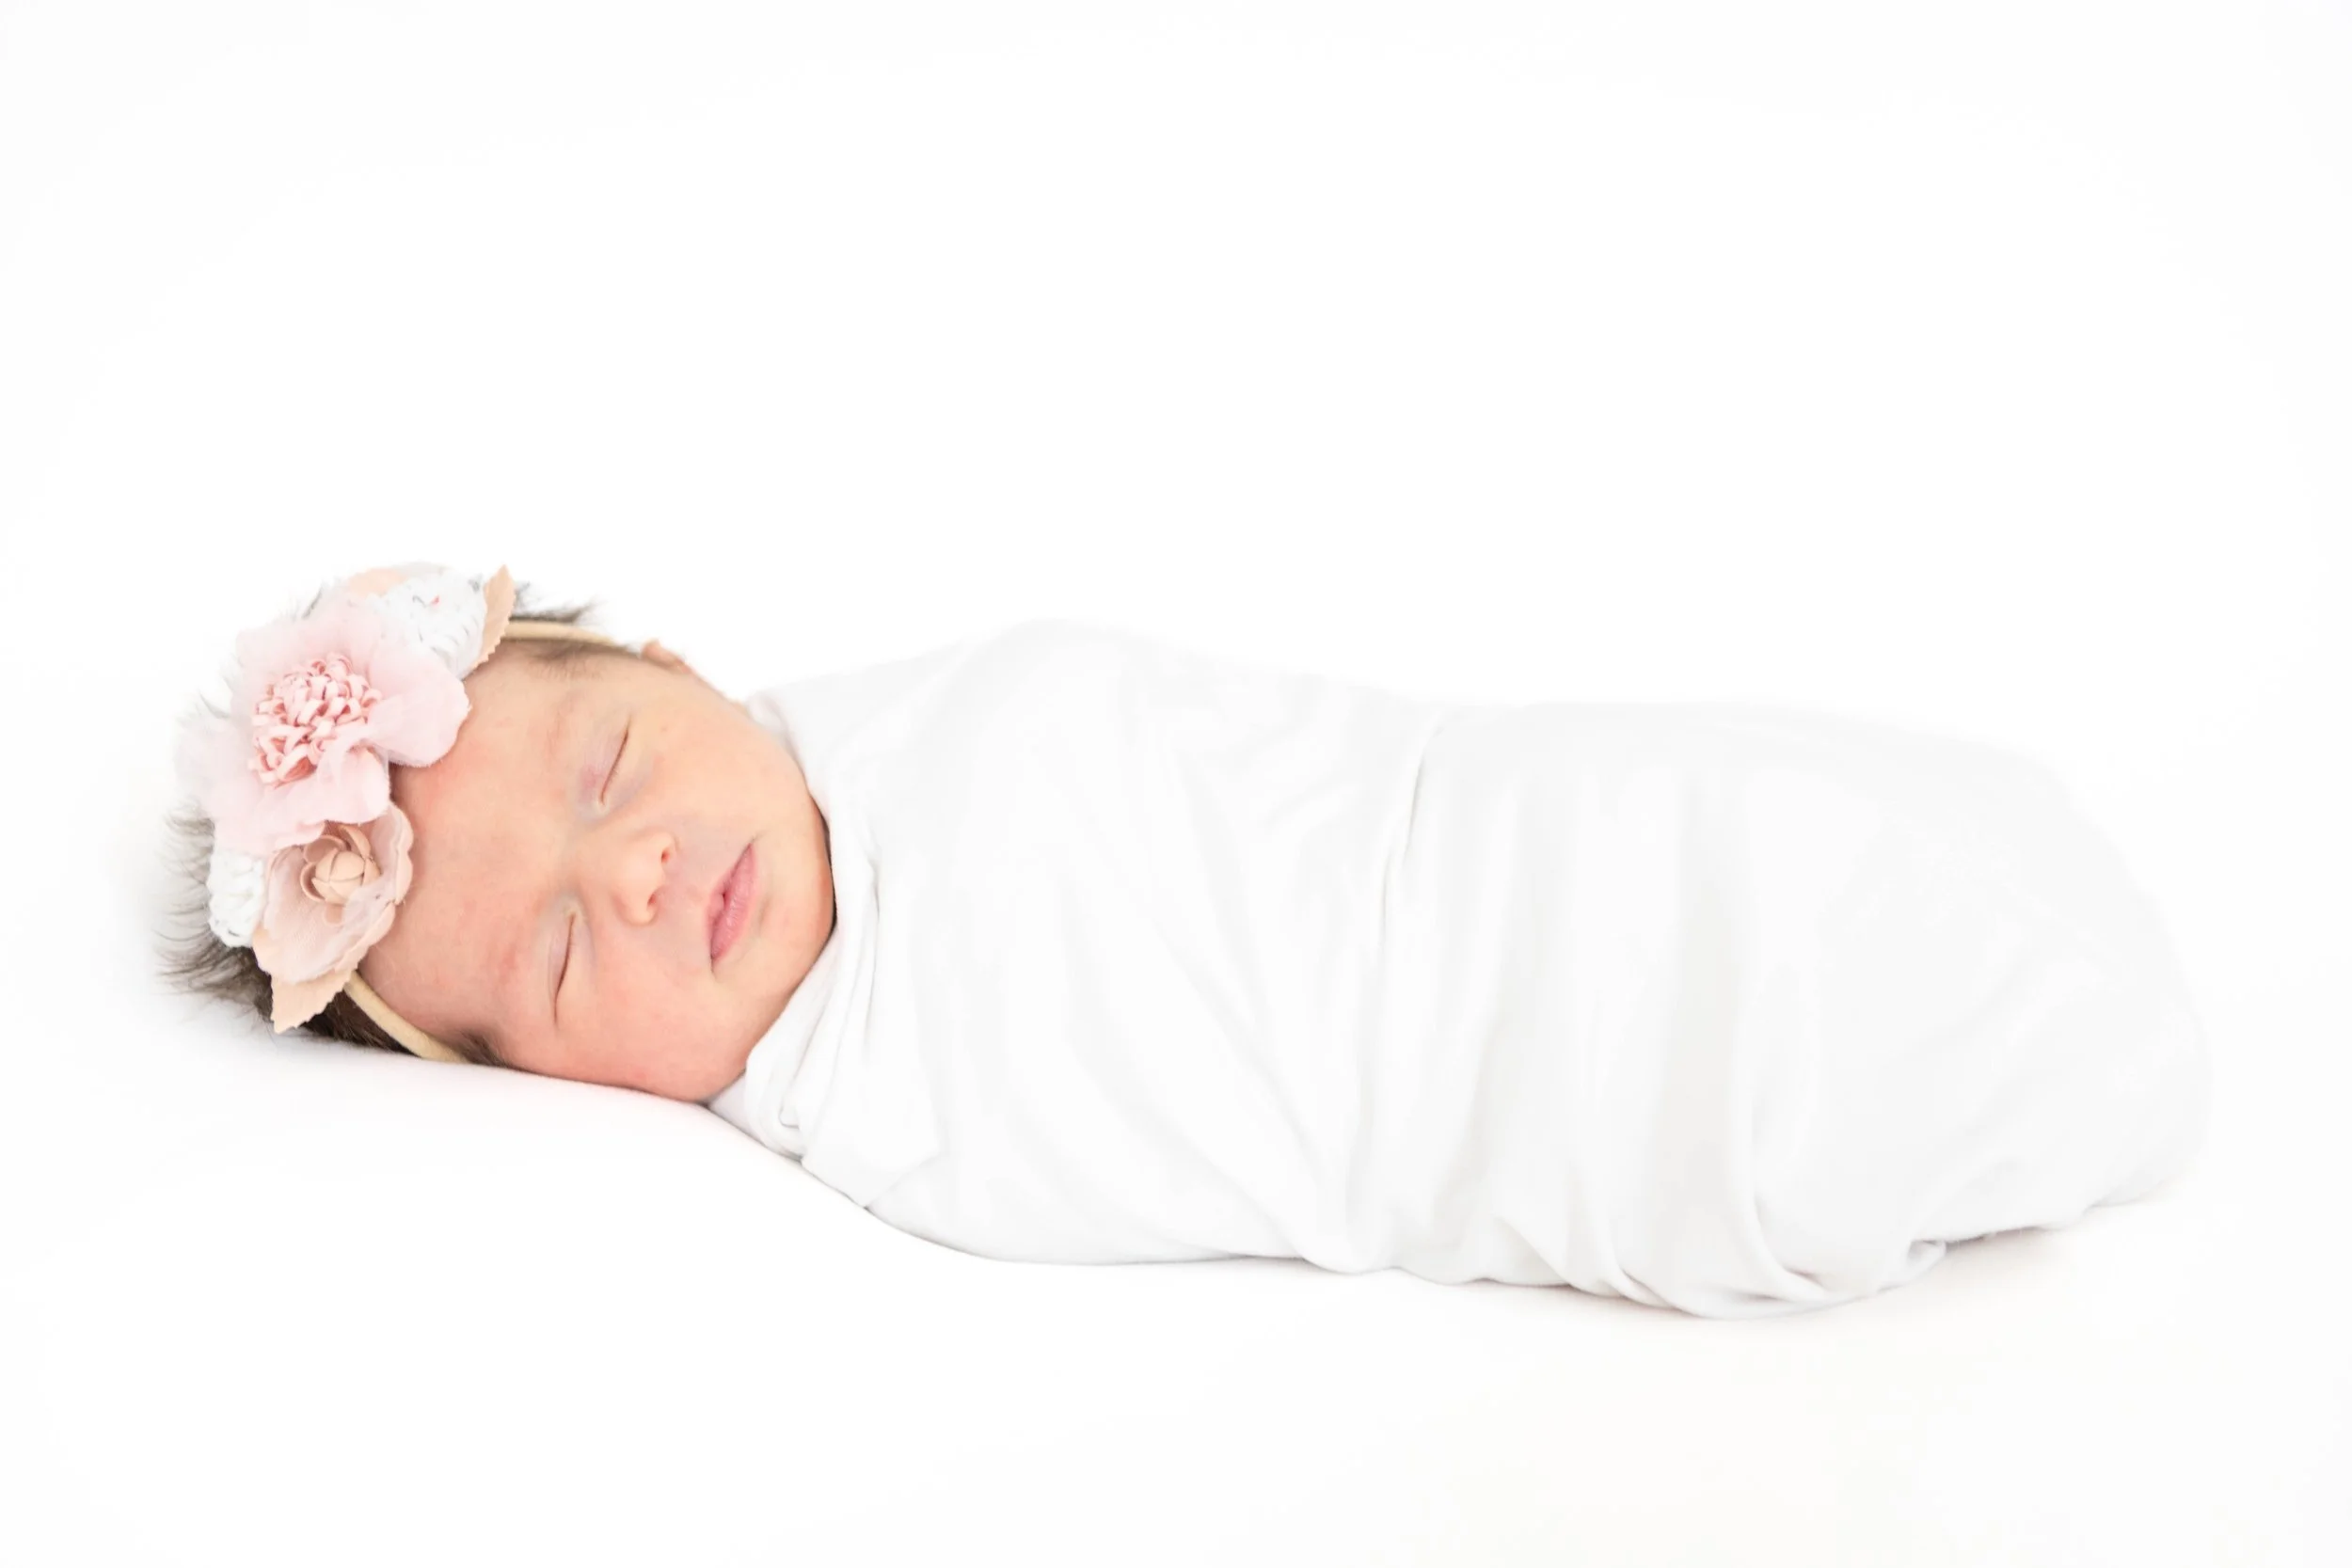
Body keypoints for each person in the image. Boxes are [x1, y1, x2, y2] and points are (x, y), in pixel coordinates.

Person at [164, 562, 2212, 1318]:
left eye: (610, 766)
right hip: (1489, 1083)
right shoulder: (860, 1092)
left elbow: (1223, 779)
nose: (629, 877)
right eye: (550, 959)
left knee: (1733, 845)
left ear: (683, 658)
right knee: (1736, 1039)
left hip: (1506, 828)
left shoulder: (929, 718)